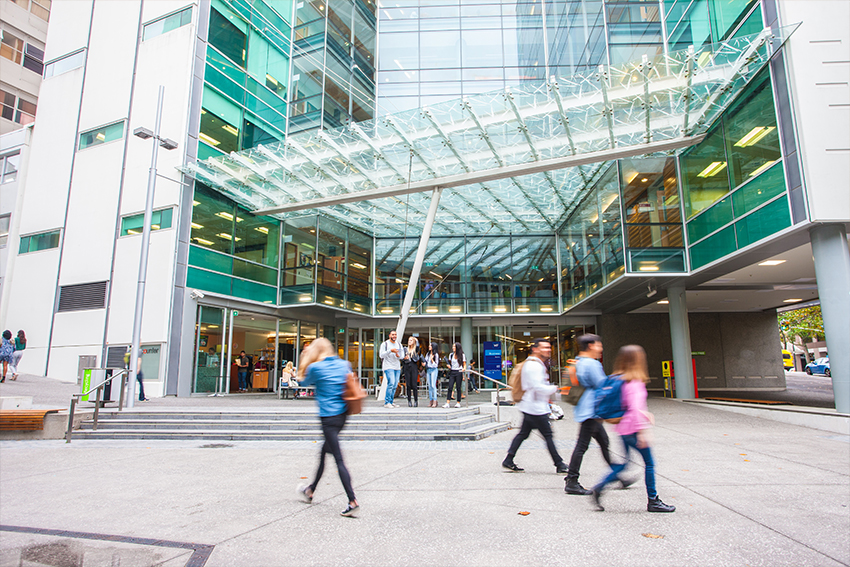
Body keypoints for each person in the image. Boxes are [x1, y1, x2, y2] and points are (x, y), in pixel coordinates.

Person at [590, 345, 675, 513]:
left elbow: (628, 406)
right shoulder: (634, 382)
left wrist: (644, 414)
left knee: (625, 463)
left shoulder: (618, 379)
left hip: (623, 428)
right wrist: (644, 432)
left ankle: (599, 487)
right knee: (649, 464)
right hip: (634, 429)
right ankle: (653, 500)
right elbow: (635, 408)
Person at [296, 338, 359, 517]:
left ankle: (352, 500)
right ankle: (310, 490)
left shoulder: (316, 367)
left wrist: (304, 359)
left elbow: (302, 383)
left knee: (338, 459)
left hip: (328, 418)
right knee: (324, 452)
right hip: (343, 416)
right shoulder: (344, 364)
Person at [501, 339, 569, 473]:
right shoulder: (534, 366)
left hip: (531, 406)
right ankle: (559, 464)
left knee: (523, 434)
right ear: (535, 349)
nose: (548, 350)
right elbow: (537, 387)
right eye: (544, 348)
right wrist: (555, 389)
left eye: (549, 348)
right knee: (548, 435)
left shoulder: (535, 364)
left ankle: (508, 459)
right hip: (535, 408)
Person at [564, 334, 618, 495]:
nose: (600, 349)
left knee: (604, 442)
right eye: (599, 345)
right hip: (592, 411)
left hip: (585, 409)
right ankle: (571, 480)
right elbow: (603, 386)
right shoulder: (592, 364)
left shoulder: (577, 361)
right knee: (582, 446)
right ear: (591, 346)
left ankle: (618, 475)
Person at [379, 330, 403, 408]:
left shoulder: (399, 344)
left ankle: (391, 401)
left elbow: (402, 356)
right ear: (389, 335)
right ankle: (387, 402)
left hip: (397, 367)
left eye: (395, 334)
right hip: (388, 366)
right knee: (391, 383)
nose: (394, 336)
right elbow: (381, 355)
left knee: (395, 385)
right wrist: (390, 351)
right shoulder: (385, 344)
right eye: (392, 334)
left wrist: (397, 355)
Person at [443, 342, 466, 408]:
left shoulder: (462, 355)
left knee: (458, 387)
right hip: (452, 371)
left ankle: (458, 402)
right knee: (450, 387)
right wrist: (449, 366)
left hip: (459, 371)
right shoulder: (451, 355)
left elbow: (464, 364)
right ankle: (447, 402)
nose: (453, 348)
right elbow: (451, 363)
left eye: (454, 347)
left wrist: (464, 369)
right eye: (453, 346)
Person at [401, 336, 422, 407]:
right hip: (407, 367)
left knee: (414, 385)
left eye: (411, 340)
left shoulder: (415, 350)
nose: (409, 342)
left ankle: (416, 400)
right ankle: (409, 400)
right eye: (409, 340)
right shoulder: (405, 349)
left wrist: (416, 340)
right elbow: (402, 359)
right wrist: (404, 358)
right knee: (408, 385)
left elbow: (418, 347)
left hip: (414, 367)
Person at [425, 342, 440, 407]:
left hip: (434, 370)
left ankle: (435, 400)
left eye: (430, 345)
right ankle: (431, 400)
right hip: (428, 369)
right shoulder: (427, 354)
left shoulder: (436, 355)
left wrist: (432, 360)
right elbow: (426, 361)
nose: (429, 346)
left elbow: (436, 365)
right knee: (429, 385)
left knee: (433, 385)